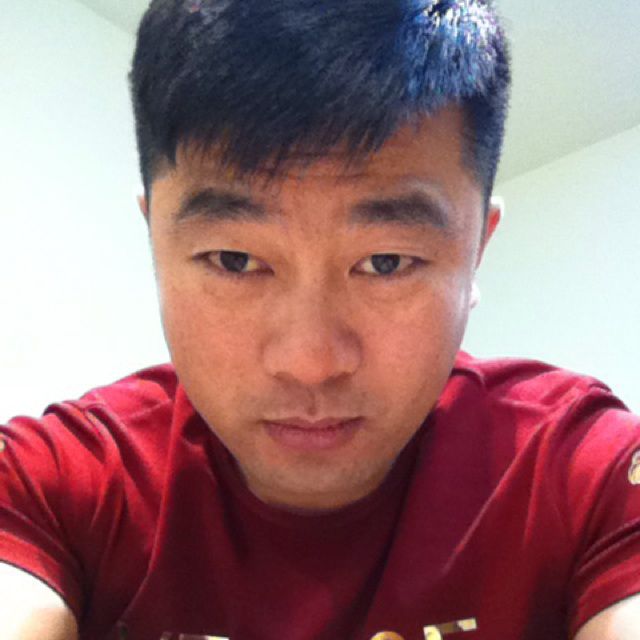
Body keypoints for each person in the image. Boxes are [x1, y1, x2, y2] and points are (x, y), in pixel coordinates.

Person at [1, 0, 639, 638]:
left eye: (386, 262)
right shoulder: (54, 484)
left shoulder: (579, 474)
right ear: (155, 242)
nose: (310, 362)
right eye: (235, 259)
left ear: (476, 253)